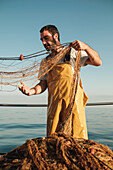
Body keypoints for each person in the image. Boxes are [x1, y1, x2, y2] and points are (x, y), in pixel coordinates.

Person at [19, 25, 102, 139]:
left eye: (46, 38)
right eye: (42, 40)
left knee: (76, 138)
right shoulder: (46, 61)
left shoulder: (72, 53)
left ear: (55, 36)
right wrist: (31, 91)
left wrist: (86, 47)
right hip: (55, 106)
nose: (44, 42)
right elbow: (43, 84)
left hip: (73, 105)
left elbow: (97, 61)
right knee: (54, 140)